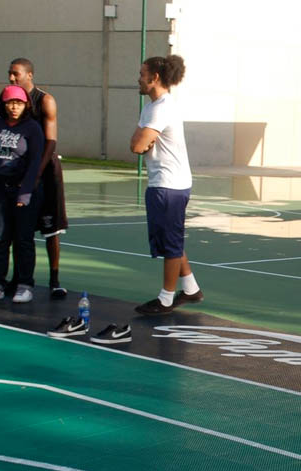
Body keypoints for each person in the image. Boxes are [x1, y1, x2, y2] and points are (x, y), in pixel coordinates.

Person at [130, 54, 202, 315]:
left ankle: (166, 299)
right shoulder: (151, 106)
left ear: (155, 77)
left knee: (170, 244)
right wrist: (141, 141)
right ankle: (191, 289)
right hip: (162, 183)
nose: (138, 78)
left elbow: (138, 144)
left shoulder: (162, 108)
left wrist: (142, 141)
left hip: (170, 185)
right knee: (169, 240)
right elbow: (137, 143)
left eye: (141, 74)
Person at [0, 85, 44, 303]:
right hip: (0, 191)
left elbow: (35, 163)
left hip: (24, 192)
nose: (14, 107)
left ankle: (25, 285)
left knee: (23, 240)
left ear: (26, 105)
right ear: (3, 105)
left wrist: (25, 194)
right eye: (10, 103)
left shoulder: (32, 128)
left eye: (19, 103)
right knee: (0, 238)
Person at [7, 58, 69, 299]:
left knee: (51, 230)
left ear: (29, 75)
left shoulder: (45, 100)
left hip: (46, 171)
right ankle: (18, 278)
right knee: (18, 229)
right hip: (19, 171)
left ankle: (54, 280)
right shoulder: (9, 100)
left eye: (16, 74)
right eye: (10, 74)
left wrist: (36, 172)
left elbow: (51, 141)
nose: (12, 78)